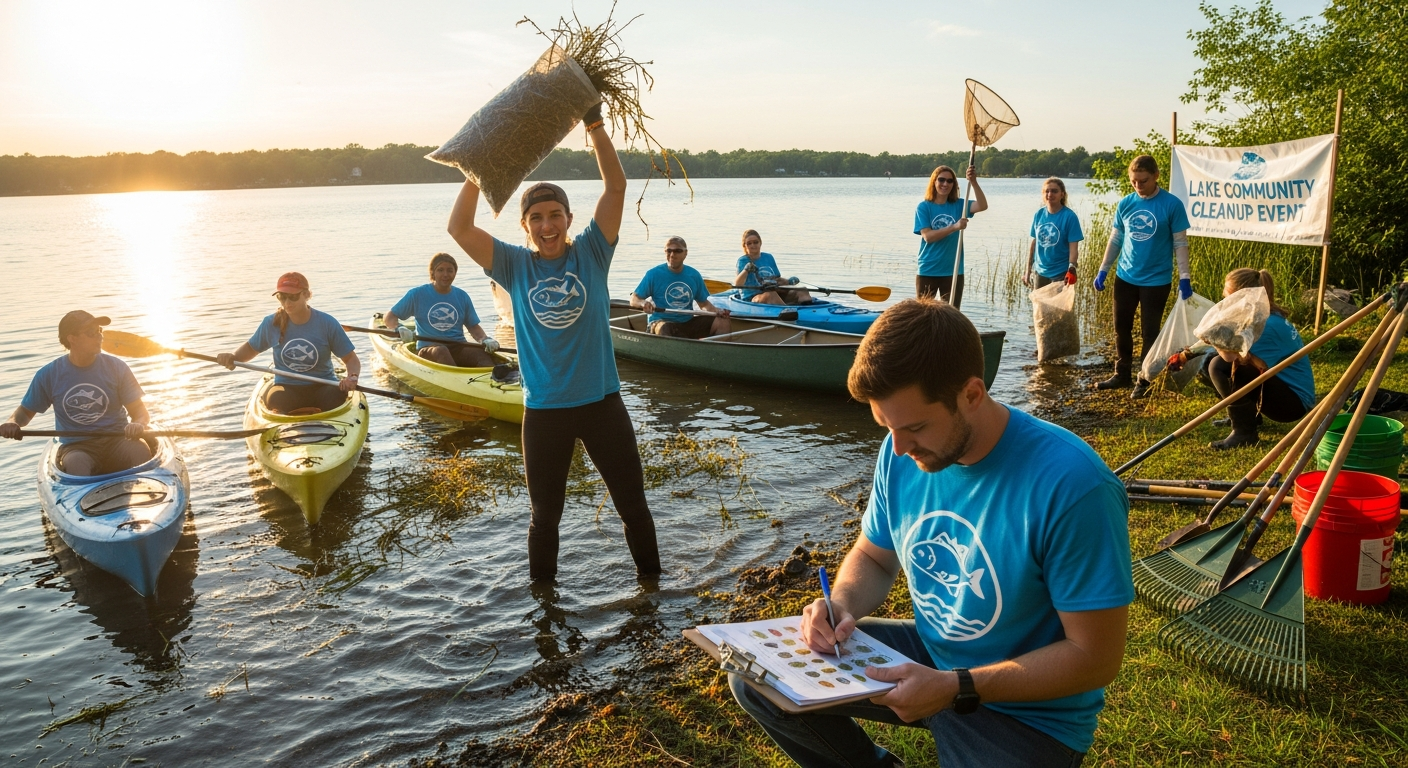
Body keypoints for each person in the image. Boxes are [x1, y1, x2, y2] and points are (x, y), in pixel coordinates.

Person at [730, 298, 1133, 768]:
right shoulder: (900, 449)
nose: (899, 448)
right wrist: (842, 604)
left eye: (915, 426)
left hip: (1027, 713)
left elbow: (1095, 657)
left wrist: (955, 686)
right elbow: (874, 556)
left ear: (972, 394)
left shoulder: (1074, 486)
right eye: (886, 425)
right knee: (759, 677)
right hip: (931, 655)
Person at [445, 101, 661, 582]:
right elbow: (458, 228)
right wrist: (479, 168)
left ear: (568, 218)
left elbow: (616, 187)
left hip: (602, 404)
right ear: (524, 225)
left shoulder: (592, 252)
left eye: (556, 215)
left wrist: (594, 124)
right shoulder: (512, 265)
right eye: (537, 217)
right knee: (545, 519)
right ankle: (544, 608)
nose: (548, 225)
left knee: (633, 506)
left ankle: (653, 595)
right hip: (544, 411)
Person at [1, 311, 153, 476]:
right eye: (91, 333)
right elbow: (24, 413)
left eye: (99, 330)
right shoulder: (49, 374)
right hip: (77, 446)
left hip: (118, 439)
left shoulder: (117, 367)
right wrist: (12, 423)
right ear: (72, 338)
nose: (99, 336)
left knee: (140, 450)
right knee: (76, 463)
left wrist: (138, 424)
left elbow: (140, 412)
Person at [1092, 154, 1193, 399]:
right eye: (1134, 181)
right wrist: (1104, 269)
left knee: (1150, 332)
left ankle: (1144, 379)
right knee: (1121, 327)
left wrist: (1185, 277)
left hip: (1156, 280)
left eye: (1144, 180)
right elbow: (1116, 238)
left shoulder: (1171, 204)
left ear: (1156, 176)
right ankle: (1122, 374)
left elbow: (1180, 242)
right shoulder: (1126, 204)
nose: (1138, 185)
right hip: (1125, 276)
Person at [1187, 269, 1314, 450]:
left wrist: (1212, 338)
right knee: (1210, 361)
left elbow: (1231, 357)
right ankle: (1247, 416)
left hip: (1293, 404)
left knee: (1218, 366)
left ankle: (1244, 432)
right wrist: (1189, 353)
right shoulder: (1262, 316)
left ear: (1244, 297)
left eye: (1228, 296)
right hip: (1282, 391)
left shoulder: (1266, 326)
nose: (1224, 300)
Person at [216, 272, 361, 414]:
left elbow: (351, 359)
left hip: (323, 385)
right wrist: (233, 357)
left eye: (293, 297)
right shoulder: (271, 323)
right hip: (287, 388)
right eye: (282, 297)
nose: (287, 302)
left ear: (306, 295)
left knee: (335, 396)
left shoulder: (327, 323)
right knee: (276, 398)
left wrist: (352, 378)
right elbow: (250, 348)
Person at [384, 253, 500, 368]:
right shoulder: (417, 294)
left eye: (450, 270)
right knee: (441, 351)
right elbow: (389, 317)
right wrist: (399, 328)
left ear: (455, 273)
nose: (445, 274)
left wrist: (485, 339)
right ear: (432, 273)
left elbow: (473, 327)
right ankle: (456, 378)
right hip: (429, 349)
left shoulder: (462, 296)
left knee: (479, 352)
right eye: (440, 270)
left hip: (457, 347)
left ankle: (493, 374)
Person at [630, 236, 731, 338]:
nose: (672, 255)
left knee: (723, 321)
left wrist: (718, 312)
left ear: (685, 253)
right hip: (660, 322)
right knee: (665, 328)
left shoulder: (694, 275)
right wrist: (643, 303)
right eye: (669, 251)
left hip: (686, 322)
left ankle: (715, 348)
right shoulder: (653, 274)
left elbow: (704, 305)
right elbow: (634, 299)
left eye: (677, 251)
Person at [915, 164, 988, 305]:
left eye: (950, 181)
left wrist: (973, 182)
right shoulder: (924, 207)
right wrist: (954, 227)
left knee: (952, 314)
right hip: (928, 269)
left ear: (954, 184)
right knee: (924, 314)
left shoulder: (959, 205)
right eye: (941, 180)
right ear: (934, 181)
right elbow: (928, 237)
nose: (945, 184)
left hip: (953, 270)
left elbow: (982, 205)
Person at [1023, 178, 1083, 289]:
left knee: (1058, 301)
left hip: (1060, 274)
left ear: (1062, 194)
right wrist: (1028, 271)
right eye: (1047, 191)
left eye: (1054, 191)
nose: (1050, 194)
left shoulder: (1070, 217)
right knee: (1039, 301)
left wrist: (1071, 269)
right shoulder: (1039, 215)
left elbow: (1073, 248)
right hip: (1040, 273)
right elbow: (1034, 243)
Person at [733, 229, 812, 305]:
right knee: (771, 295)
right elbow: (737, 284)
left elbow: (777, 279)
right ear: (744, 246)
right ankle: (787, 310)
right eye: (749, 243)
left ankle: (808, 310)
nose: (753, 245)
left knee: (802, 290)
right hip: (752, 297)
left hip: (773, 292)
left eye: (755, 242)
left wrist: (788, 281)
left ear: (760, 243)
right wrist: (746, 270)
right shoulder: (742, 261)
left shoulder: (768, 257)